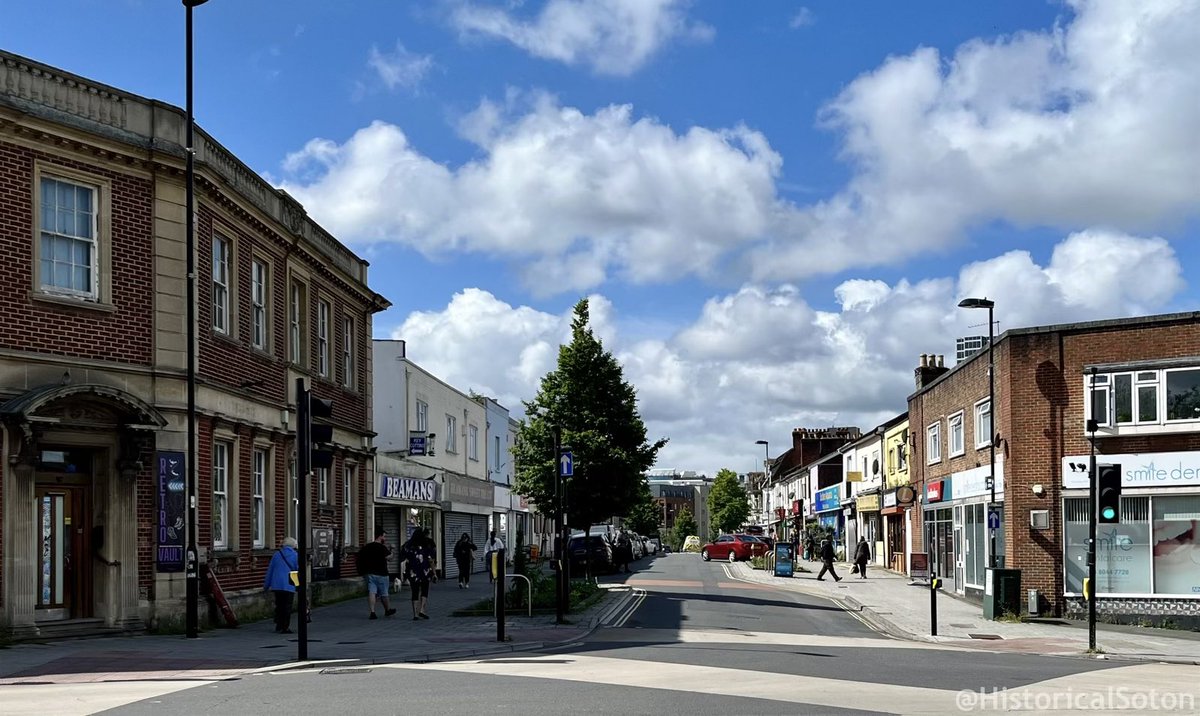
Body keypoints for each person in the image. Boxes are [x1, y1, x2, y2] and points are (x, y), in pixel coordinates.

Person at [357, 527, 397, 619]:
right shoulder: (382, 548)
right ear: (380, 537)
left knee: (372, 592)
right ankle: (387, 610)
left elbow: (360, 558)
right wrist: (392, 550)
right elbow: (390, 558)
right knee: (384, 593)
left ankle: (372, 612)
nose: (385, 539)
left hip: (370, 573)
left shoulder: (366, 547)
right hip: (382, 573)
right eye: (384, 537)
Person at [401, 527, 437, 620]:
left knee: (415, 591)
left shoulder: (408, 545)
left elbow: (402, 557)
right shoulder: (427, 545)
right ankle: (421, 609)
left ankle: (415, 614)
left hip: (413, 571)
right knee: (424, 590)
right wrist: (434, 573)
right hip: (424, 571)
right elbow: (431, 560)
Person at [263, 537, 298, 634]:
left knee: (279, 604)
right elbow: (297, 571)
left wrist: (266, 585)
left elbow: (270, 571)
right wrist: (298, 585)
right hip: (289, 585)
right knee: (287, 606)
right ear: (293, 545)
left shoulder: (277, 555)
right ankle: (285, 627)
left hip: (276, 585)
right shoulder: (295, 555)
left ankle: (278, 624)